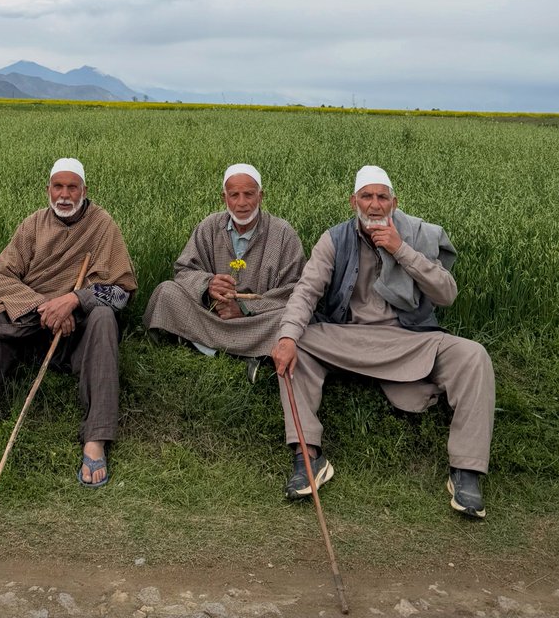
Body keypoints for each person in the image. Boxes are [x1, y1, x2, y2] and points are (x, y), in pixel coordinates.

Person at [272, 165, 495, 519]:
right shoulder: (334, 239)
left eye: (381, 197)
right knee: (297, 340)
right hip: (348, 338)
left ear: (394, 201)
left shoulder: (418, 234)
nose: (374, 205)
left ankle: (466, 472)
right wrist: (286, 337)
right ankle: (307, 456)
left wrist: (401, 250)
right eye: (366, 197)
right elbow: (306, 291)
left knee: (473, 355)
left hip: (408, 339)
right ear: (353, 201)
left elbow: (447, 294)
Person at [0, 157, 136, 486]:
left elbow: (121, 290)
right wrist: (45, 305)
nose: (64, 194)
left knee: (105, 317)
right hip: (33, 319)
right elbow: (1, 276)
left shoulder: (103, 225)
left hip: (78, 327)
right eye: (57, 187)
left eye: (71, 187)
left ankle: (96, 438)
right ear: (48, 189)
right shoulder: (33, 224)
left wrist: (75, 300)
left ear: (84, 190)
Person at [143, 163, 305, 381]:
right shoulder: (209, 226)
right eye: (234, 195)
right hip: (213, 312)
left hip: (257, 318)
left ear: (261, 196)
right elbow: (184, 270)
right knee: (167, 291)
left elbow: (295, 290)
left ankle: (199, 343)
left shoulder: (283, 234)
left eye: (249, 194)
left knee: (287, 319)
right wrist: (207, 286)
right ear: (224, 198)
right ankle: (247, 353)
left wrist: (245, 308)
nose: (242, 203)